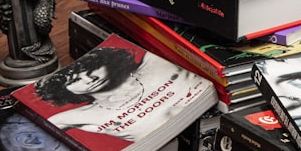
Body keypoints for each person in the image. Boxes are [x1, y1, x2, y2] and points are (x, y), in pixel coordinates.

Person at [35, 44, 197, 142]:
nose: (90, 78)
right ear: (66, 91)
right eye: (73, 81)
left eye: (90, 69)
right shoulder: (79, 116)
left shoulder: (153, 62)